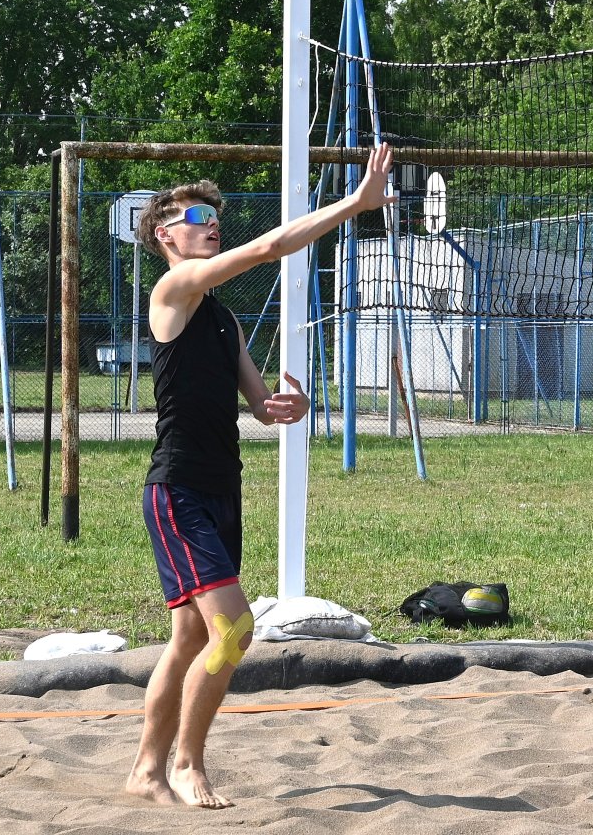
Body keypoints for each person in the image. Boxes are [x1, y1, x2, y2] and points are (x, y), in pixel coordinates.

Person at [125, 144, 395, 808]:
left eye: (214, 215)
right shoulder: (174, 290)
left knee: (191, 636)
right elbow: (270, 247)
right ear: (165, 234)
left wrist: (283, 406)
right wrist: (355, 205)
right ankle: (188, 764)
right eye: (194, 214)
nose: (210, 222)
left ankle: (143, 770)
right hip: (178, 488)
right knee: (236, 632)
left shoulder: (224, 319)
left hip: (221, 488)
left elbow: (260, 406)